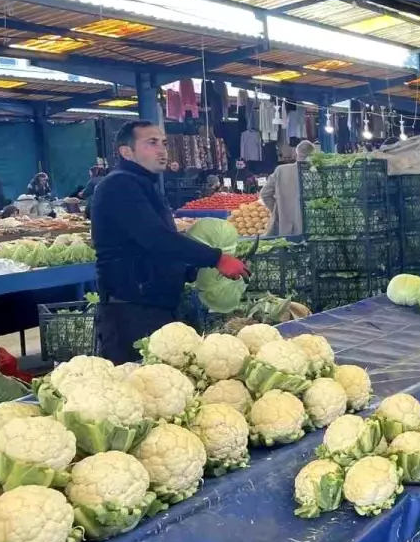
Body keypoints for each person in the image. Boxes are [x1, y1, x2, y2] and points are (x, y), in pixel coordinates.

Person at [90, 121, 249, 364]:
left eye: (164, 143)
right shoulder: (119, 185)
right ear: (126, 152)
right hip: (131, 310)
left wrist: (192, 270)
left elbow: (154, 249)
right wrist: (216, 258)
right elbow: (156, 239)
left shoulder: (145, 186)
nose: (162, 150)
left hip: (153, 304)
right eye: (151, 143)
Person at [261, 140, 314, 237]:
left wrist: (278, 210)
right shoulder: (316, 173)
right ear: (313, 155)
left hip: (285, 228)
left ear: (296, 153)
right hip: (311, 229)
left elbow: (265, 194)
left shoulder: (281, 170)